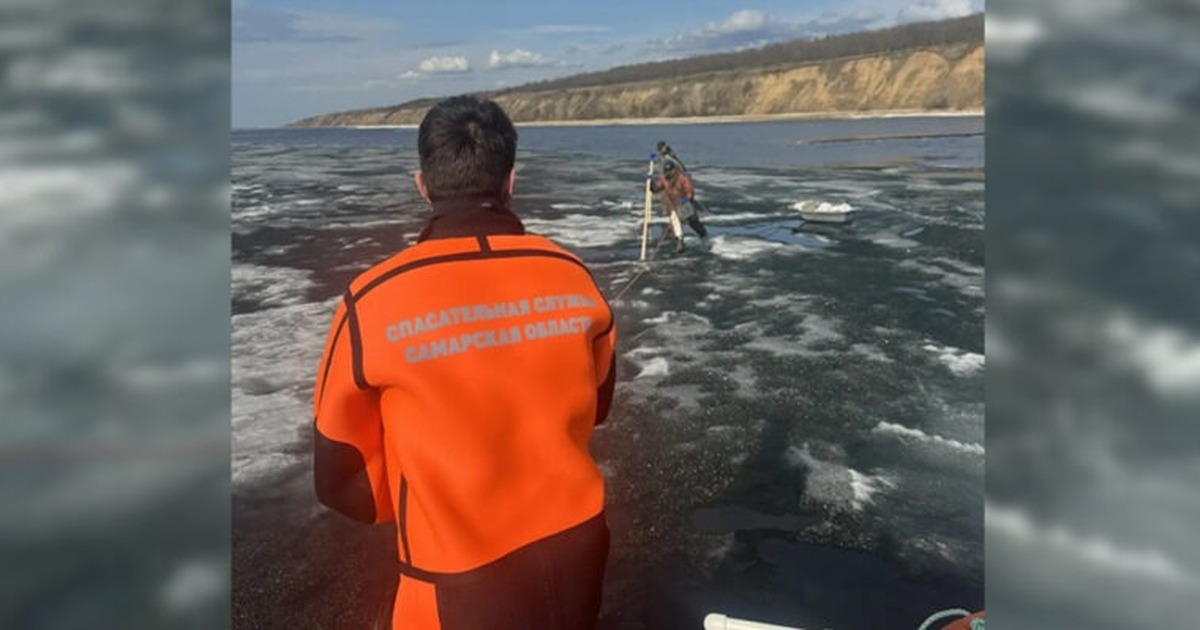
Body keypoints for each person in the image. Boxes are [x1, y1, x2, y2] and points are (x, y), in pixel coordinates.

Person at [312, 95, 617, 630]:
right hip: (580, 550)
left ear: (422, 185)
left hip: (454, 583)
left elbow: (343, 479)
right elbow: (597, 403)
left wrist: (421, 500)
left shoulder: (372, 301)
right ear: (510, 182)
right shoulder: (572, 273)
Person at [650, 159, 709, 252]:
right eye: (666, 172)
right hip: (673, 204)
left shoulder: (682, 178)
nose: (667, 174)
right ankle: (680, 242)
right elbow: (658, 187)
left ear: (674, 170)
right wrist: (652, 185)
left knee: (693, 222)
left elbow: (690, 191)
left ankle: (703, 235)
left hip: (685, 204)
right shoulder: (664, 178)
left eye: (669, 172)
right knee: (675, 221)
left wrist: (686, 198)